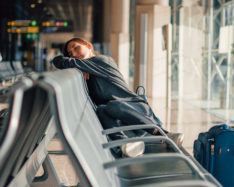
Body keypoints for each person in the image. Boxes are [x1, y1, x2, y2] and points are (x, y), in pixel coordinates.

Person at [52, 38, 183, 156]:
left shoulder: (102, 60)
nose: (74, 55)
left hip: (135, 109)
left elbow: (63, 62)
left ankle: (164, 134)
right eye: (70, 54)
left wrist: (77, 64)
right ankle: (125, 144)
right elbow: (57, 61)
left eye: (75, 48)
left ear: (88, 45)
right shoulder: (87, 66)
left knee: (112, 105)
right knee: (101, 109)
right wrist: (80, 66)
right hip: (117, 116)